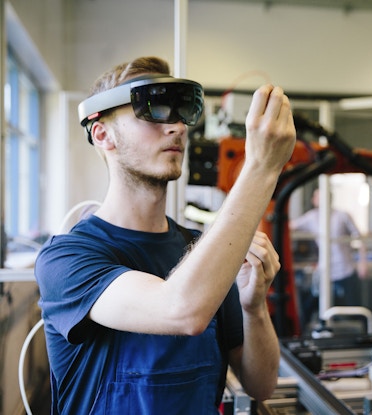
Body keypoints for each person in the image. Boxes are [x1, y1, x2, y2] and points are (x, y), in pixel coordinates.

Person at [34, 56, 296, 415]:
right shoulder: (66, 260)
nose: (176, 126)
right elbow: (181, 310)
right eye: (153, 109)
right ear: (102, 134)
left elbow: (261, 385)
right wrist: (262, 167)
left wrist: (253, 308)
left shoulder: (206, 253)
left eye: (180, 111)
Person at [290, 187, 367, 313]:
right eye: (314, 197)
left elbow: (360, 239)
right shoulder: (312, 217)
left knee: (355, 306)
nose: (313, 199)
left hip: (345, 269)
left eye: (317, 197)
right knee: (312, 304)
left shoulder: (342, 215)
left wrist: (362, 263)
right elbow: (290, 226)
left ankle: (365, 330)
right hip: (325, 269)